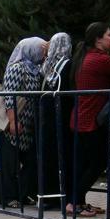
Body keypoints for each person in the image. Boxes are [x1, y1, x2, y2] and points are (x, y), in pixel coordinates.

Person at [69, 22, 110, 217]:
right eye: (109, 35)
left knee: (86, 163)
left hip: (81, 117)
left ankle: (78, 201)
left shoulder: (84, 56)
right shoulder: (100, 59)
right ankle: (75, 202)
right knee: (97, 163)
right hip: (91, 120)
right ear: (98, 39)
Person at [1, 37, 48, 208]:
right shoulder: (17, 68)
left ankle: (23, 193)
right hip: (16, 123)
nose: (44, 53)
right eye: (41, 49)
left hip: (29, 123)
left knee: (29, 162)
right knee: (10, 162)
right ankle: (9, 196)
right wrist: (13, 121)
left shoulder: (35, 69)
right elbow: (10, 95)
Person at [37, 32, 73, 209]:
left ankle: (47, 196)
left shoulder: (48, 64)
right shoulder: (66, 64)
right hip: (61, 117)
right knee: (61, 155)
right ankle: (61, 196)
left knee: (49, 156)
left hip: (47, 116)